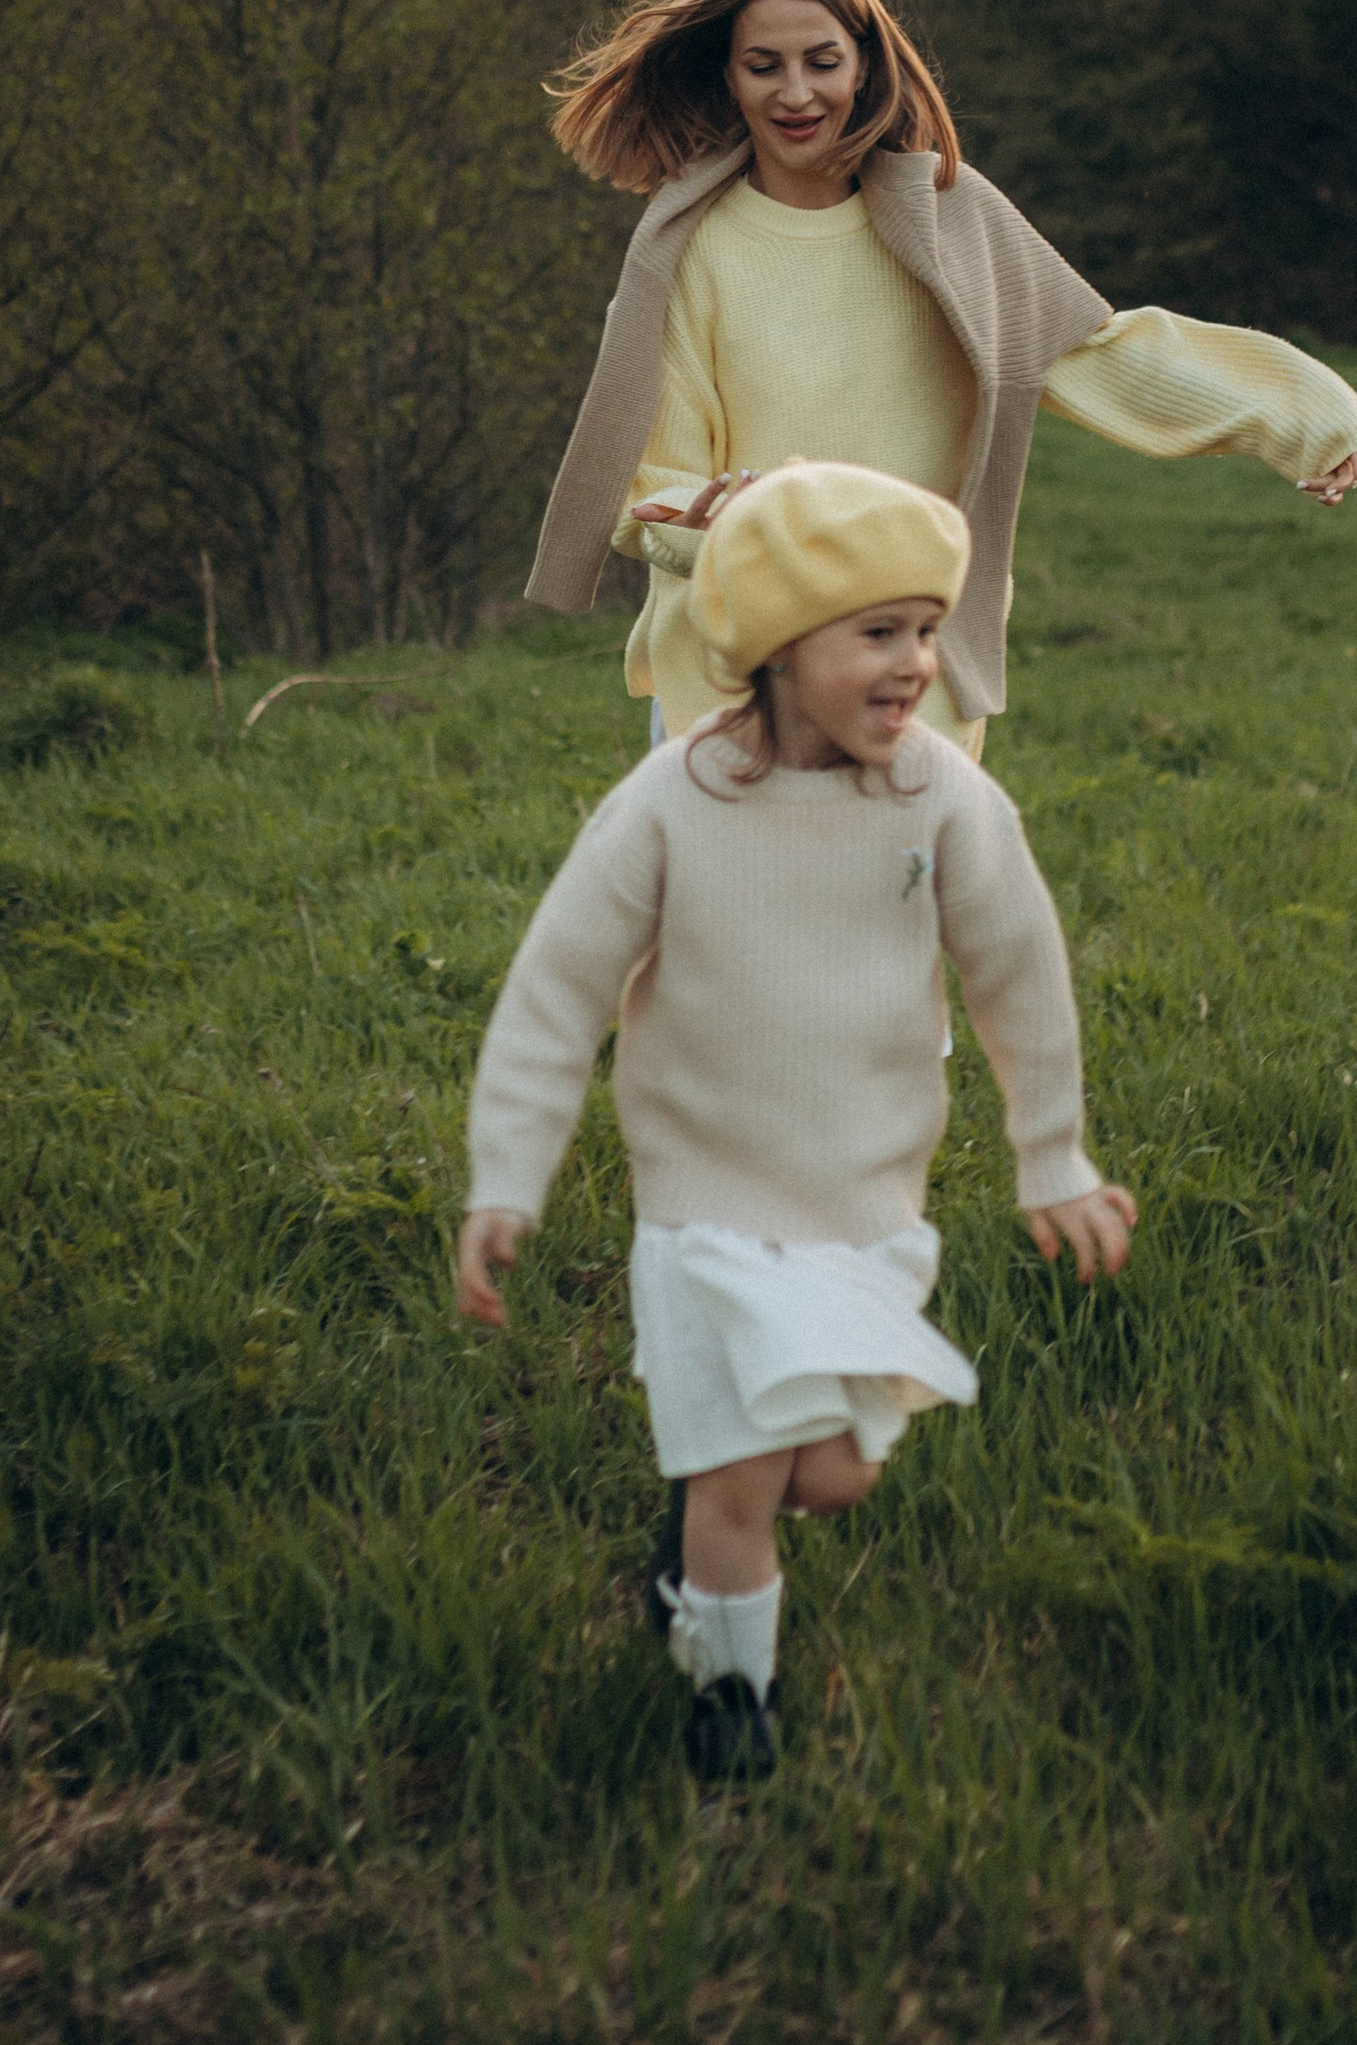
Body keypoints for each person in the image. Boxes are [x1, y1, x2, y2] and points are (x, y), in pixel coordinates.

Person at [456, 462, 1134, 1782]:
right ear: (773, 643)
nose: (916, 664)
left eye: (927, 630)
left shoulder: (942, 801)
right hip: (703, 1208)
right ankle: (730, 1702)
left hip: (861, 1205)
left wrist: (1051, 1154)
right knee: (745, 1486)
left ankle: (693, 1536)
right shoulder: (672, 804)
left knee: (830, 1477)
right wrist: (506, 1179)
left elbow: (1021, 976)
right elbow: (556, 994)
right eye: (878, 633)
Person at [525, 0, 1357, 753]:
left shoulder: (951, 220)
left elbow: (1098, 352)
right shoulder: (687, 250)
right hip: (733, 685)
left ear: (865, 67)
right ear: (730, 79)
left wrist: (1305, 413)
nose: (796, 93)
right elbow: (656, 493)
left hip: (908, 683)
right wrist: (766, 528)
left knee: (899, 914)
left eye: (822, 61)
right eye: (765, 66)